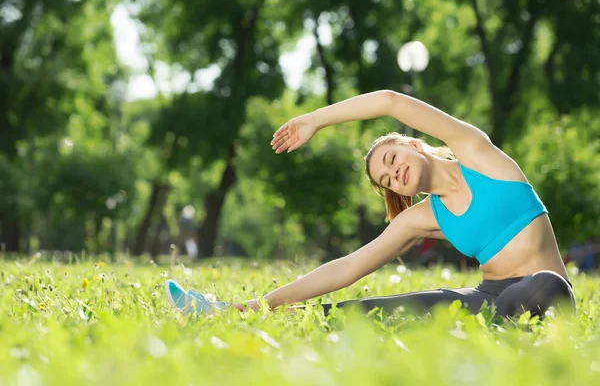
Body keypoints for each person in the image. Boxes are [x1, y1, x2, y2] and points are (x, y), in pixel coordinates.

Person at [165, 90, 576, 319]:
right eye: (384, 179)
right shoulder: (424, 216)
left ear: (414, 145)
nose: (392, 174)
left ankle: (503, 325)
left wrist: (316, 119)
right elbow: (347, 267)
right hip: (488, 298)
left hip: (547, 292)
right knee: (380, 310)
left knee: (543, 286)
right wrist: (262, 302)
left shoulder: (476, 153)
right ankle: (231, 313)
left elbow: (390, 101)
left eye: (393, 160)